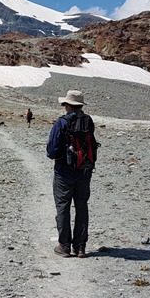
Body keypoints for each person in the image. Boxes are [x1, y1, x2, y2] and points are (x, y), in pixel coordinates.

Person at [46, 90, 96, 259]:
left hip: (64, 171)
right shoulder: (88, 121)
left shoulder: (62, 122)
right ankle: (80, 247)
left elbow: (52, 150)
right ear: (81, 105)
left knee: (63, 206)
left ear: (66, 105)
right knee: (82, 206)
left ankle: (64, 246)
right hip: (84, 170)